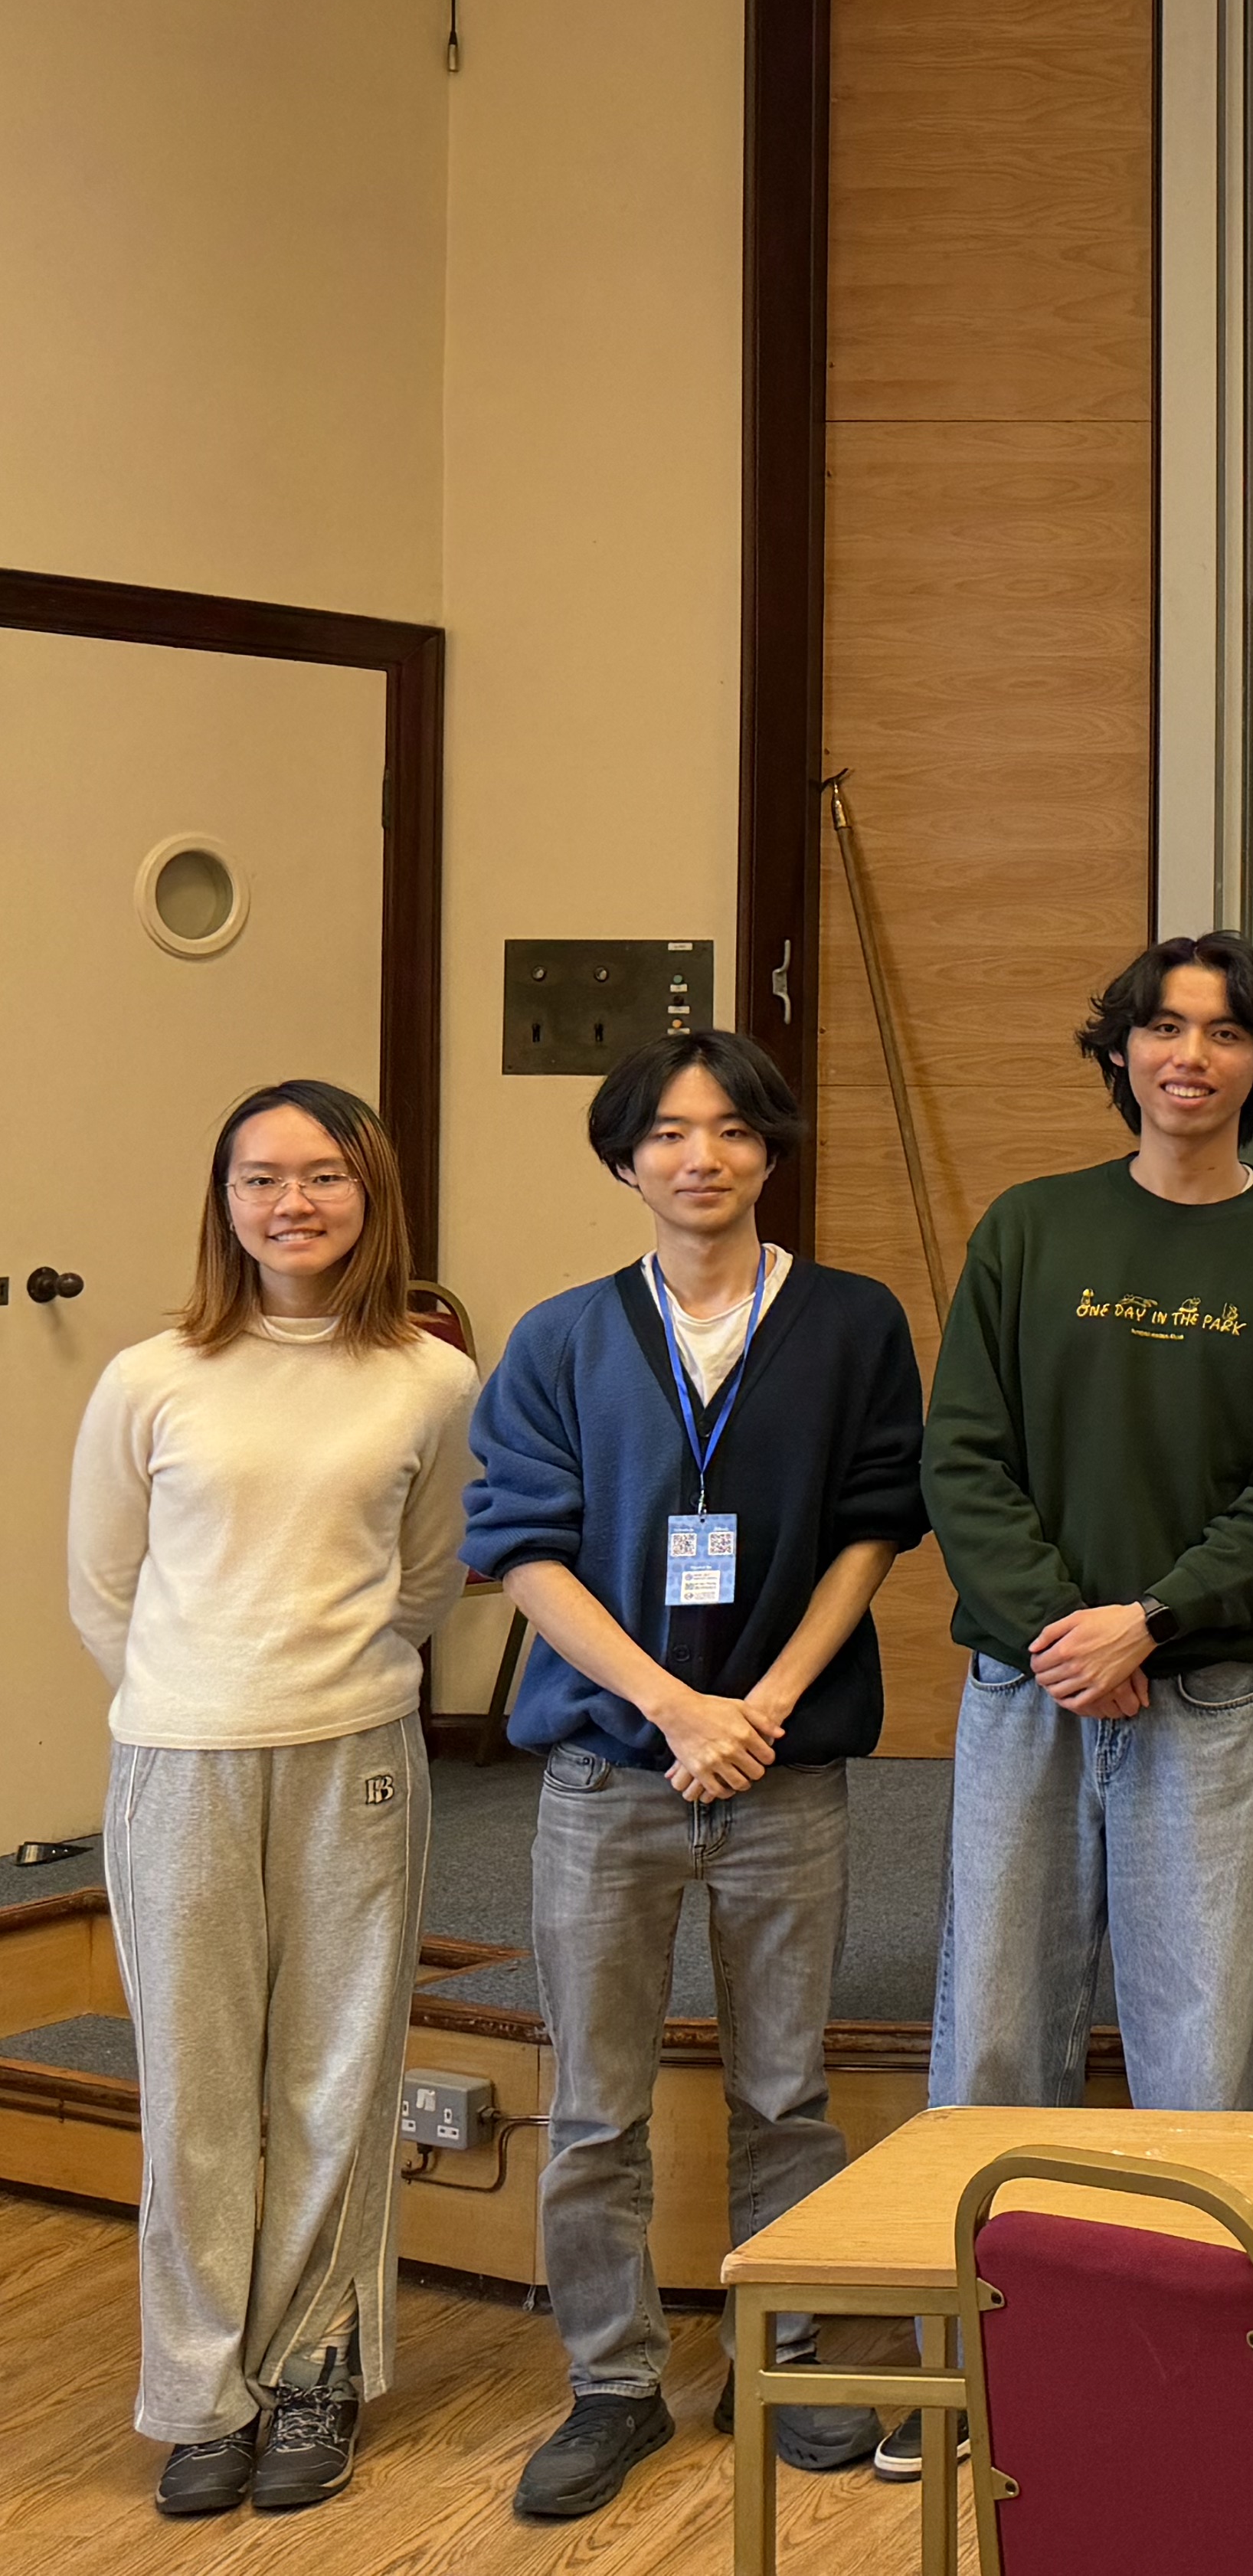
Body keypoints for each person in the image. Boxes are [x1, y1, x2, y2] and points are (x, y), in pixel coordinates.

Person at [463, 1029, 927, 2520]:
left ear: (769, 1151)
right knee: (595, 2105)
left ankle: (781, 2355)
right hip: (611, 1774)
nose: (700, 1156)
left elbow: (874, 1523)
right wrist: (674, 1705)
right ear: (625, 1158)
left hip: (785, 1772)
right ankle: (612, 2385)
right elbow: (522, 1553)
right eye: (667, 1132)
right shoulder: (560, 1337)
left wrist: (766, 1703)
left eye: (730, 1130)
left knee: (787, 2093)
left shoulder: (851, 1324)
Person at [67, 1079, 473, 2519]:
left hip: (353, 1752)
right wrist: (203, 1693)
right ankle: (198, 2397)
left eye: (321, 1176)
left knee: (333, 2078)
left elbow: (428, 1581)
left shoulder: (428, 1376)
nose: (290, 1202)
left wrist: (323, 1680)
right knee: (192, 2089)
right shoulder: (152, 1373)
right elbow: (104, 1587)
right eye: (259, 1178)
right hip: (180, 1756)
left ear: (371, 1195)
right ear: (223, 1200)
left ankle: (312, 2372)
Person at [919, 932, 1253, 2126]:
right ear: (1122, 1051)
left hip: (1216, 1697)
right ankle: (984, 2314)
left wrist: (1150, 1621)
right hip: (1032, 1685)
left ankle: (1210, 2315)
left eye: (1227, 1033)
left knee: (1211, 2052)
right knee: (998, 2038)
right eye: (1166, 1027)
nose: (1192, 1055)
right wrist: (1066, 1634)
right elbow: (963, 1456)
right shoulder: (1028, 1230)